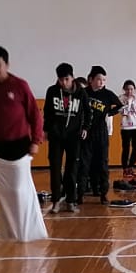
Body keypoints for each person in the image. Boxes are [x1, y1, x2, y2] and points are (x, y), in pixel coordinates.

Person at [0, 44, 48, 241]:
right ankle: (10, 234)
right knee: (3, 193)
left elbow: (34, 115)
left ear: (7, 65)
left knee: (18, 191)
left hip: (19, 146)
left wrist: (36, 140)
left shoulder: (20, 85)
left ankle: (28, 233)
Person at [79, 65, 124, 206]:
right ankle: (80, 194)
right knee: (85, 163)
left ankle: (103, 193)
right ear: (91, 79)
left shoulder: (107, 94)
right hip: (86, 133)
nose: (101, 82)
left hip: (101, 133)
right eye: (99, 79)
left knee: (102, 163)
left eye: (104, 80)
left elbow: (120, 106)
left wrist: (109, 113)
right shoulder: (83, 92)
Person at [44, 62, 84, 213]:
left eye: (66, 79)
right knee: (55, 168)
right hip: (56, 136)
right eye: (61, 79)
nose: (63, 82)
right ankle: (56, 201)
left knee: (71, 169)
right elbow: (47, 112)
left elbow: (87, 112)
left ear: (72, 78)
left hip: (73, 136)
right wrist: (46, 130)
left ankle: (71, 201)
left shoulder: (81, 92)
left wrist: (85, 128)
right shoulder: (52, 91)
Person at [119, 79, 136, 182]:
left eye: (131, 89)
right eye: (127, 89)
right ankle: (125, 168)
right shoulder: (121, 98)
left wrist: (133, 103)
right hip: (125, 127)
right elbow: (123, 112)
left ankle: (131, 166)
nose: (129, 91)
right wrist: (128, 102)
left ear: (134, 90)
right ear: (124, 89)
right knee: (126, 148)